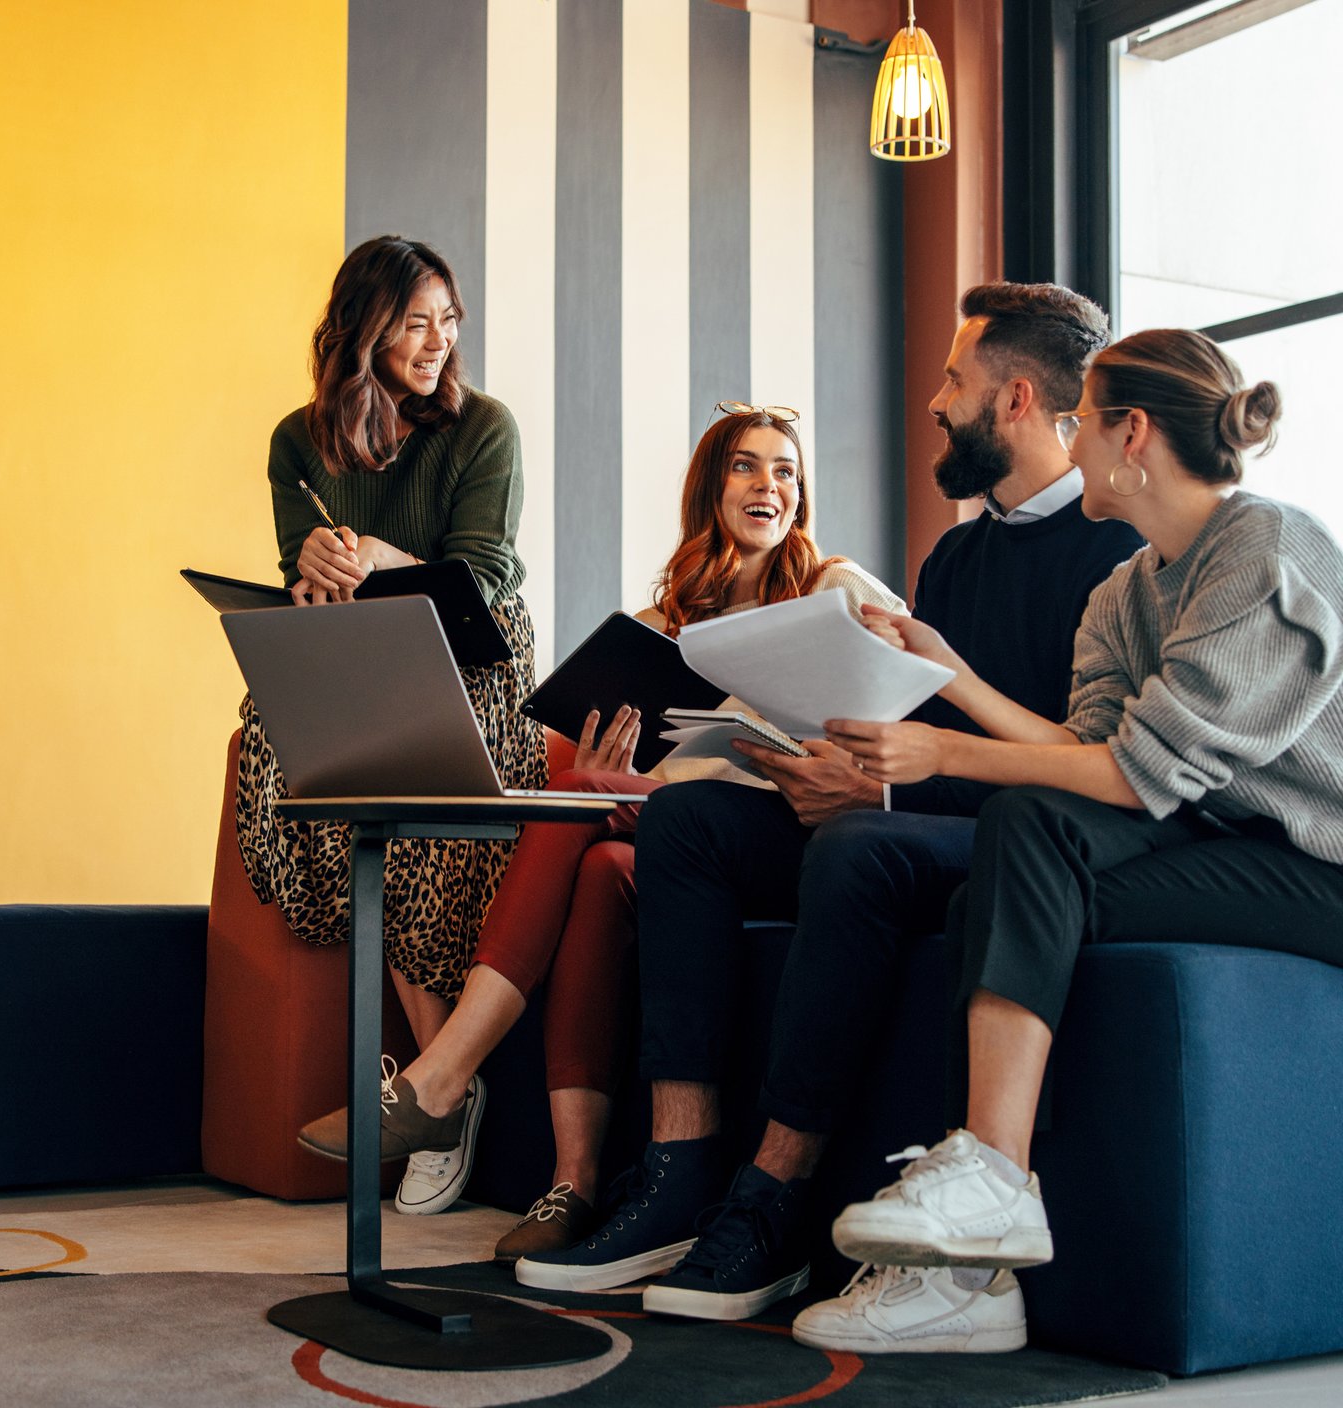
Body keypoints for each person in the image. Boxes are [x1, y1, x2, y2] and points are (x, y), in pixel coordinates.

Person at [513, 283, 1144, 1335]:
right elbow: (898, 713)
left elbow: (1080, 767)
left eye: (953, 379)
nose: (935, 402)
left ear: (1018, 398)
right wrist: (824, 761)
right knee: (686, 826)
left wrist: (883, 787)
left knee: (856, 848)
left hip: (1015, 839)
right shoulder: (953, 556)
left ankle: (773, 1203)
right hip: (903, 803)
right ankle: (676, 1171)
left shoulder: (1112, 556)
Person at [807, 328, 1343, 1354]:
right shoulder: (1124, 591)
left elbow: (1129, 776)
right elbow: (1089, 747)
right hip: (1226, 842)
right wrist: (947, 673)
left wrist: (941, 753)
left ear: (1128, 432)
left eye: (1079, 419)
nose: (1067, 439)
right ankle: (972, 1276)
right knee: (990, 892)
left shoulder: (1262, 551)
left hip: (1319, 868)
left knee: (1024, 834)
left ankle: (991, 1194)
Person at [299, 404, 905, 1244]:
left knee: (594, 810)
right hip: (677, 842)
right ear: (710, 490)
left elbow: (910, 699)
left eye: (786, 470)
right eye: (746, 466)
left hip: (795, 832)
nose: (769, 484)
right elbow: (644, 782)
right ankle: (572, 1185)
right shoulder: (660, 630)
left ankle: (441, 1082)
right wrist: (608, 781)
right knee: (589, 839)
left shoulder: (832, 588)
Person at [235, 235, 548, 1215]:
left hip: (472, 658)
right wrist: (315, 573)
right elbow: (300, 563)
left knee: (413, 817)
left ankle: (433, 1090)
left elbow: (485, 575)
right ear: (363, 329)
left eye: (448, 320)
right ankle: (440, 1092)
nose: (436, 340)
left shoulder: (483, 427)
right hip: (362, 653)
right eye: (415, 322)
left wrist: (381, 554)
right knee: (283, 749)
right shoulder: (298, 438)